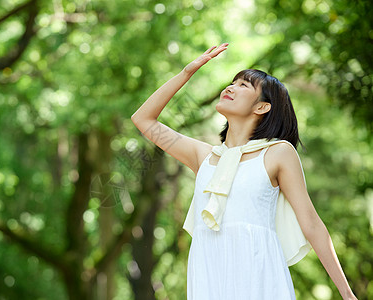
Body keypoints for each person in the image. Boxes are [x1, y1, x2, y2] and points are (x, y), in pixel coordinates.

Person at [131, 43, 358, 300]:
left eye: (243, 86)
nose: (230, 87)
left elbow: (312, 224)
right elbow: (144, 119)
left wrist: (347, 294)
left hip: (257, 271)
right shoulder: (205, 157)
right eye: (232, 82)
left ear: (261, 107)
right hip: (208, 271)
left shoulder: (277, 153)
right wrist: (187, 72)